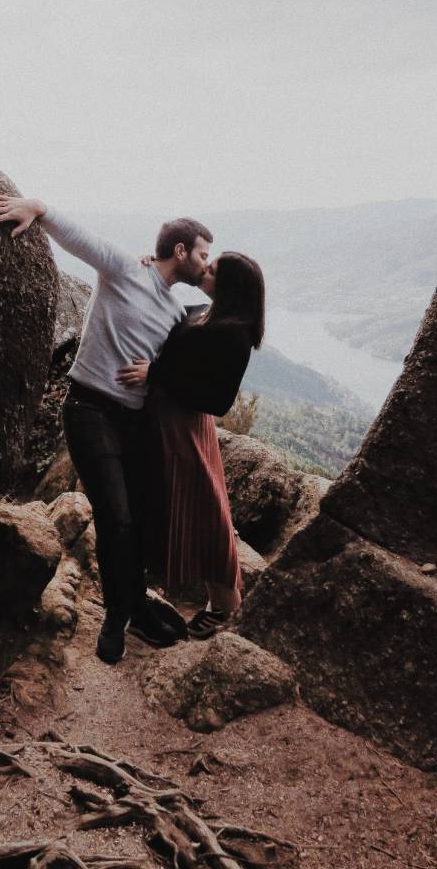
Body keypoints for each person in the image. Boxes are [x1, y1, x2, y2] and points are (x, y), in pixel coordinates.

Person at [0, 193, 213, 664]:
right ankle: (115, 617)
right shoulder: (126, 268)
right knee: (116, 518)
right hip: (90, 411)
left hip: (136, 421)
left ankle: (136, 609)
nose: (206, 264)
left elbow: (192, 352)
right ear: (182, 251)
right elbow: (80, 240)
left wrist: (157, 373)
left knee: (141, 519)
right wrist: (38, 208)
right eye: (204, 254)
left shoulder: (174, 311)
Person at [116, 252, 265, 639]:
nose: (205, 270)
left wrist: (157, 374)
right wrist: (154, 264)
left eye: (213, 269)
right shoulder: (201, 310)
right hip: (165, 423)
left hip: (186, 428)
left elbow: (218, 401)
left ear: (230, 285)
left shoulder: (235, 333)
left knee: (207, 512)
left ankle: (227, 608)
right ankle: (212, 602)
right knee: (181, 507)